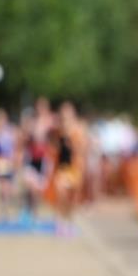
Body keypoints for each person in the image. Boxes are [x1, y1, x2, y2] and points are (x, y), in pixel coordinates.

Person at [46, 101, 87, 237]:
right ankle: (59, 223)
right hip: (61, 168)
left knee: (72, 198)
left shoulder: (78, 129)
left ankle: (69, 222)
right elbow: (52, 146)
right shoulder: (58, 130)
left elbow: (82, 148)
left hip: (74, 167)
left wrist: (72, 142)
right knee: (60, 192)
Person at [19, 97, 55, 223]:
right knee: (30, 187)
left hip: (43, 159)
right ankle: (28, 212)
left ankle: (34, 213)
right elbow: (24, 139)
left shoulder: (51, 122)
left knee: (38, 190)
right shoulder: (32, 122)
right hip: (32, 158)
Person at [0, 108, 20, 220]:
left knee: (7, 188)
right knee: (0, 188)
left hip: (8, 163)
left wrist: (15, 161)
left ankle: (5, 209)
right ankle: (2, 207)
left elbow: (16, 147)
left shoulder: (11, 132)